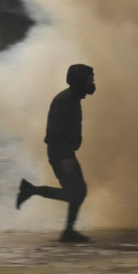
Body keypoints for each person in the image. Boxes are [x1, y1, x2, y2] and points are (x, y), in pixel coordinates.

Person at [16, 64, 97, 243]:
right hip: (61, 153)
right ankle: (31, 190)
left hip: (63, 152)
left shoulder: (72, 98)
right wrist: (65, 157)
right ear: (79, 81)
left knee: (76, 192)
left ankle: (67, 230)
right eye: (89, 80)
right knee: (77, 192)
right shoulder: (67, 100)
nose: (92, 84)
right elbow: (55, 131)